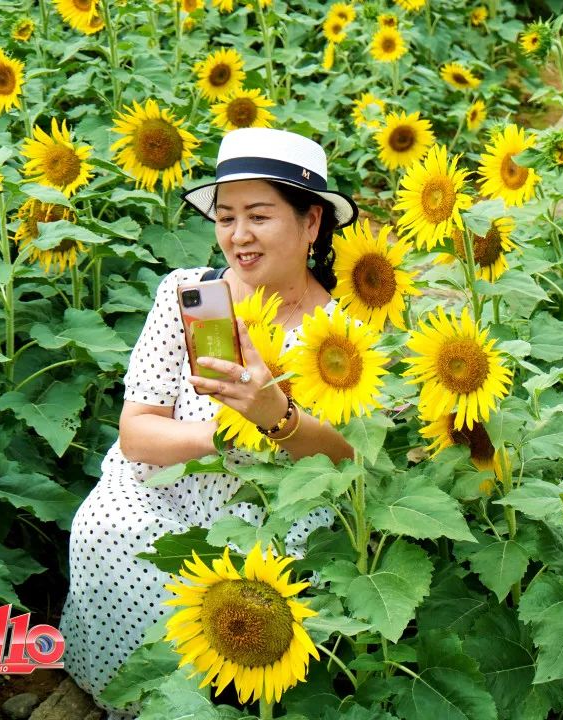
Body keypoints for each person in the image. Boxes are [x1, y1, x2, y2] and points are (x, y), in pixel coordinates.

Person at [59, 128, 359, 719]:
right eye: (225, 217)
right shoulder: (194, 299)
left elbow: (352, 459)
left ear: (311, 223)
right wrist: (227, 435)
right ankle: (125, 696)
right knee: (108, 527)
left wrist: (278, 419)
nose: (238, 235)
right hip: (168, 485)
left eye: (259, 215)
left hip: (277, 509)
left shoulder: (343, 332)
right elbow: (138, 431)